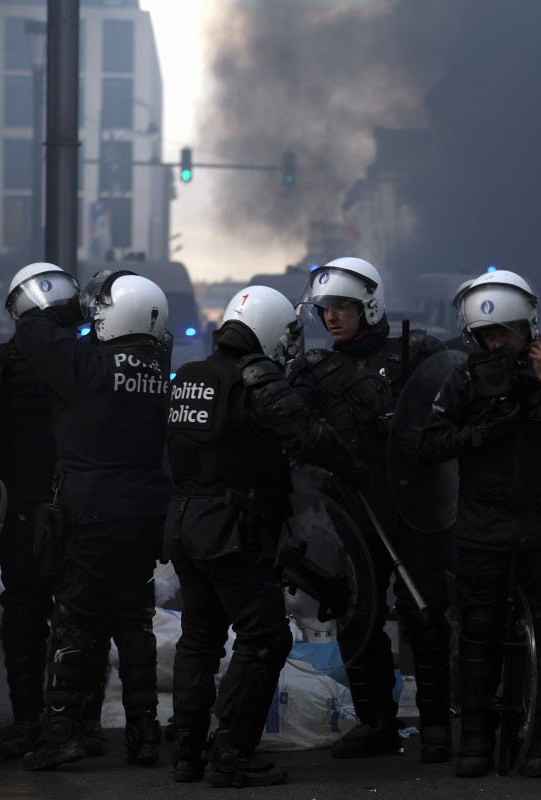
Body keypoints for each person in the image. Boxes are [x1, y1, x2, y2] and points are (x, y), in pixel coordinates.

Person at [165, 285, 364, 786]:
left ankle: (187, 752)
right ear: (272, 330)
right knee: (265, 637)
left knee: (199, 638)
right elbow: (306, 435)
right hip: (232, 528)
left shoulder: (191, 375)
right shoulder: (256, 377)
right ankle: (231, 753)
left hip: (185, 524)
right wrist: (354, 466)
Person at [420, 270, 541, 778]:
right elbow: (428, 443)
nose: (498, 344)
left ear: (528, 329)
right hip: (483, 528)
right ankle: (476, 741)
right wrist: (477, 432)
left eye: (506, 333)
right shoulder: (462, 379)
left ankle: (534, 740)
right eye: (487, 335)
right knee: (478, 632)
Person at [290, 257, 453, 761]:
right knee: (357, 616)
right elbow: (291, 422)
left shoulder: (418, 351)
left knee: (425, 616)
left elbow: (456, 402)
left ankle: (436, 726)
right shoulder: (316, 370)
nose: (331, 316)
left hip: (415, 506)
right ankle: (376, 722)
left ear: (369, 305)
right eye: (325, 308)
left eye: (342, 306)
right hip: (354, 510)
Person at [15, 269, 173, 771]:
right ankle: (144, 735)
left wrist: (70, 309)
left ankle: (62, 732)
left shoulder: (86, 364)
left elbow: (31, 328)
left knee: (76, 621)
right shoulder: (160, 371)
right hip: (144, 513)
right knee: (134, 621)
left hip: (90, 512)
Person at [0, 263, 108, 760]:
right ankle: (79, 722)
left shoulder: (3, 359)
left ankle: (31, 722)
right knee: (81, 613)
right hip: (73, 502)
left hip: (28, 507)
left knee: (27, 611)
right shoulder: (88, 355)